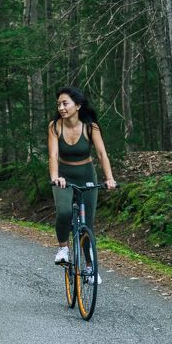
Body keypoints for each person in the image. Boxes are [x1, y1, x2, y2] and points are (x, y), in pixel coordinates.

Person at [48, 86, 116, 272]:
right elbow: (53, 155)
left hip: (86, 175)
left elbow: (102, 154)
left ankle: (89, 266)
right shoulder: (54, 126)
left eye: (65, 103)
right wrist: (55, 178)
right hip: (64, 176)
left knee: (87, 223)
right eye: (59, 104)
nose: (61, 108)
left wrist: (109, 178)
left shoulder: (90, 126)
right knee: (63, 212)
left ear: (77, 105)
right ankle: (63, 248)